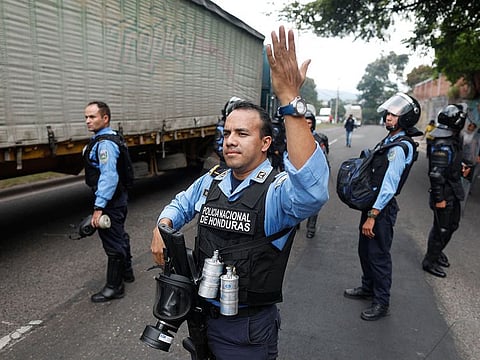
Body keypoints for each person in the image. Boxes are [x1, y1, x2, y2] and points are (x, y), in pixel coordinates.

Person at [150, 26, 329, 359]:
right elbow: (182, 204)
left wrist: (290, 99)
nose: (230, 140)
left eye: (242, 133)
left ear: (264, 143)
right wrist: (163, 223)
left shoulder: (276, 192)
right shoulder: (214, 179)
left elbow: (311, 192)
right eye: (228, 132)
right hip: (201, 317)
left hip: (245, 331)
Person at [343, 92, 422, 321]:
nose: (389, 117)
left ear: (405, 119)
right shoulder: (390, 140)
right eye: (388, 113)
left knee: (378, 256)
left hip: (381, 209)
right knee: (365, 251)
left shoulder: (399, 147)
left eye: (394, 115)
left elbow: (389, 186)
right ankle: (367, 287)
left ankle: (381, 302)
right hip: (372, 205)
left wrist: (373, 216)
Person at [83, 101, 134, 303]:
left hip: (111, 200)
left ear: (105, 118)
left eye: (92, 117)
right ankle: (127, 272)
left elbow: (109, 176)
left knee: (112, 241)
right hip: (118, 198)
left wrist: (98, 208)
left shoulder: (105, 144)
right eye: (86, 117)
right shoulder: (109, 138)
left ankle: (114, 287)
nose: (87, 121)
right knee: (119, 234)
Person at [422, 104, 467, 278]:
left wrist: (459, 168)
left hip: (452, 190)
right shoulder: (443, 143)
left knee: (452, 225)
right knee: (441, 228)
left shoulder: (452, 140)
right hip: (444, 193)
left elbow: (447, 165)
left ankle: (437, 250)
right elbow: (436, 175)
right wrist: (439, 198)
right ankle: (429, 261)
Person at [305, 110, 329, 238]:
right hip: (299, 174)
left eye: (309, 123)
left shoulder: (318, 139)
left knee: (313, 203)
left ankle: (311, 228)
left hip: (314, 175)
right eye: (305, 122)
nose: (307, 125)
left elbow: (323, 157)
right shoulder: (296, 137)